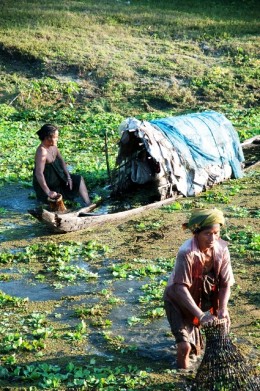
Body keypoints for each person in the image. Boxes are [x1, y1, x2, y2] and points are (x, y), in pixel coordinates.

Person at [163, 208, 234, 369]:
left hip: (201, 295)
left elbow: (225, 283)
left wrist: (223, 309)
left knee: (198, 347)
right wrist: (201, 315)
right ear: (196, 233)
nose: (213, 238)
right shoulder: (187, 252)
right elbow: (180, 288)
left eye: (216, 233)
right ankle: (183, 375)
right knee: (184, 347)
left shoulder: (222, 249)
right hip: (177, 299)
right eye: (207, 233)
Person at [33, 124, 91, 206]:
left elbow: (61, 160)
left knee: (79, 179)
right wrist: (48, 191)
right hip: (48, 184)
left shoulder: (54, 146)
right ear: (48, 137)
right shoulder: (42, 151)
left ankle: (88, 203)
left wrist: (68, 176)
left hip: (59, 178)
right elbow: (39, 173)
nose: (57, 139)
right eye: (55, 137)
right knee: (54, 204)